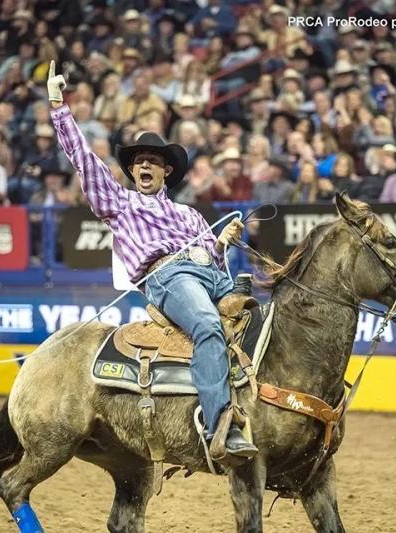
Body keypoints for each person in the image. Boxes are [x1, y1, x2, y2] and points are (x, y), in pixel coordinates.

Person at [46, 62, 256, 461]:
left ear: (165, 171)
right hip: (169, 278)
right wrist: (59, 107)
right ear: (132, 169)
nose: (144, 165)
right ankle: (219, 427)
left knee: (258, 317)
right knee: (209, 325)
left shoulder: (191, 215)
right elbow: (85, 162)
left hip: (207, 274)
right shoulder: (120, 204)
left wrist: (222, 244)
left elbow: (212, 260)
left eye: (152, 161)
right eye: (138, 160)